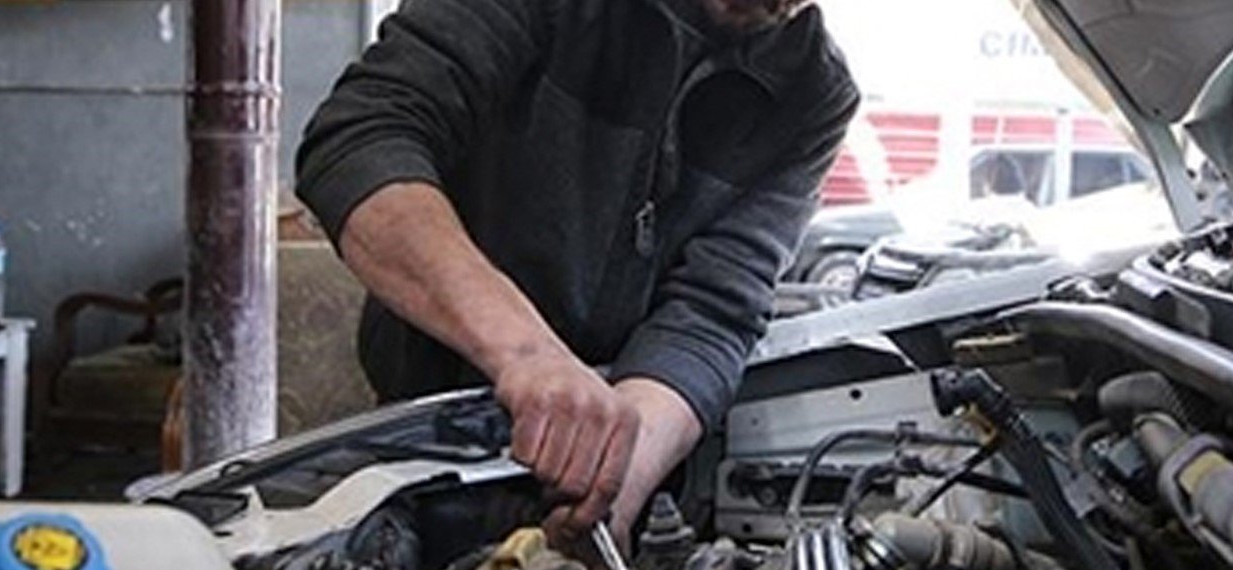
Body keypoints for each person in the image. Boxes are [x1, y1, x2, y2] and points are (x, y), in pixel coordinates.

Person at [297, 0, 858, 542]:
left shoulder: (813, 92)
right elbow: (359, 142)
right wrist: (528, 356)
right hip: (424, 451)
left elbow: (713, 311)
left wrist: (614, 486)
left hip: (610, 472)